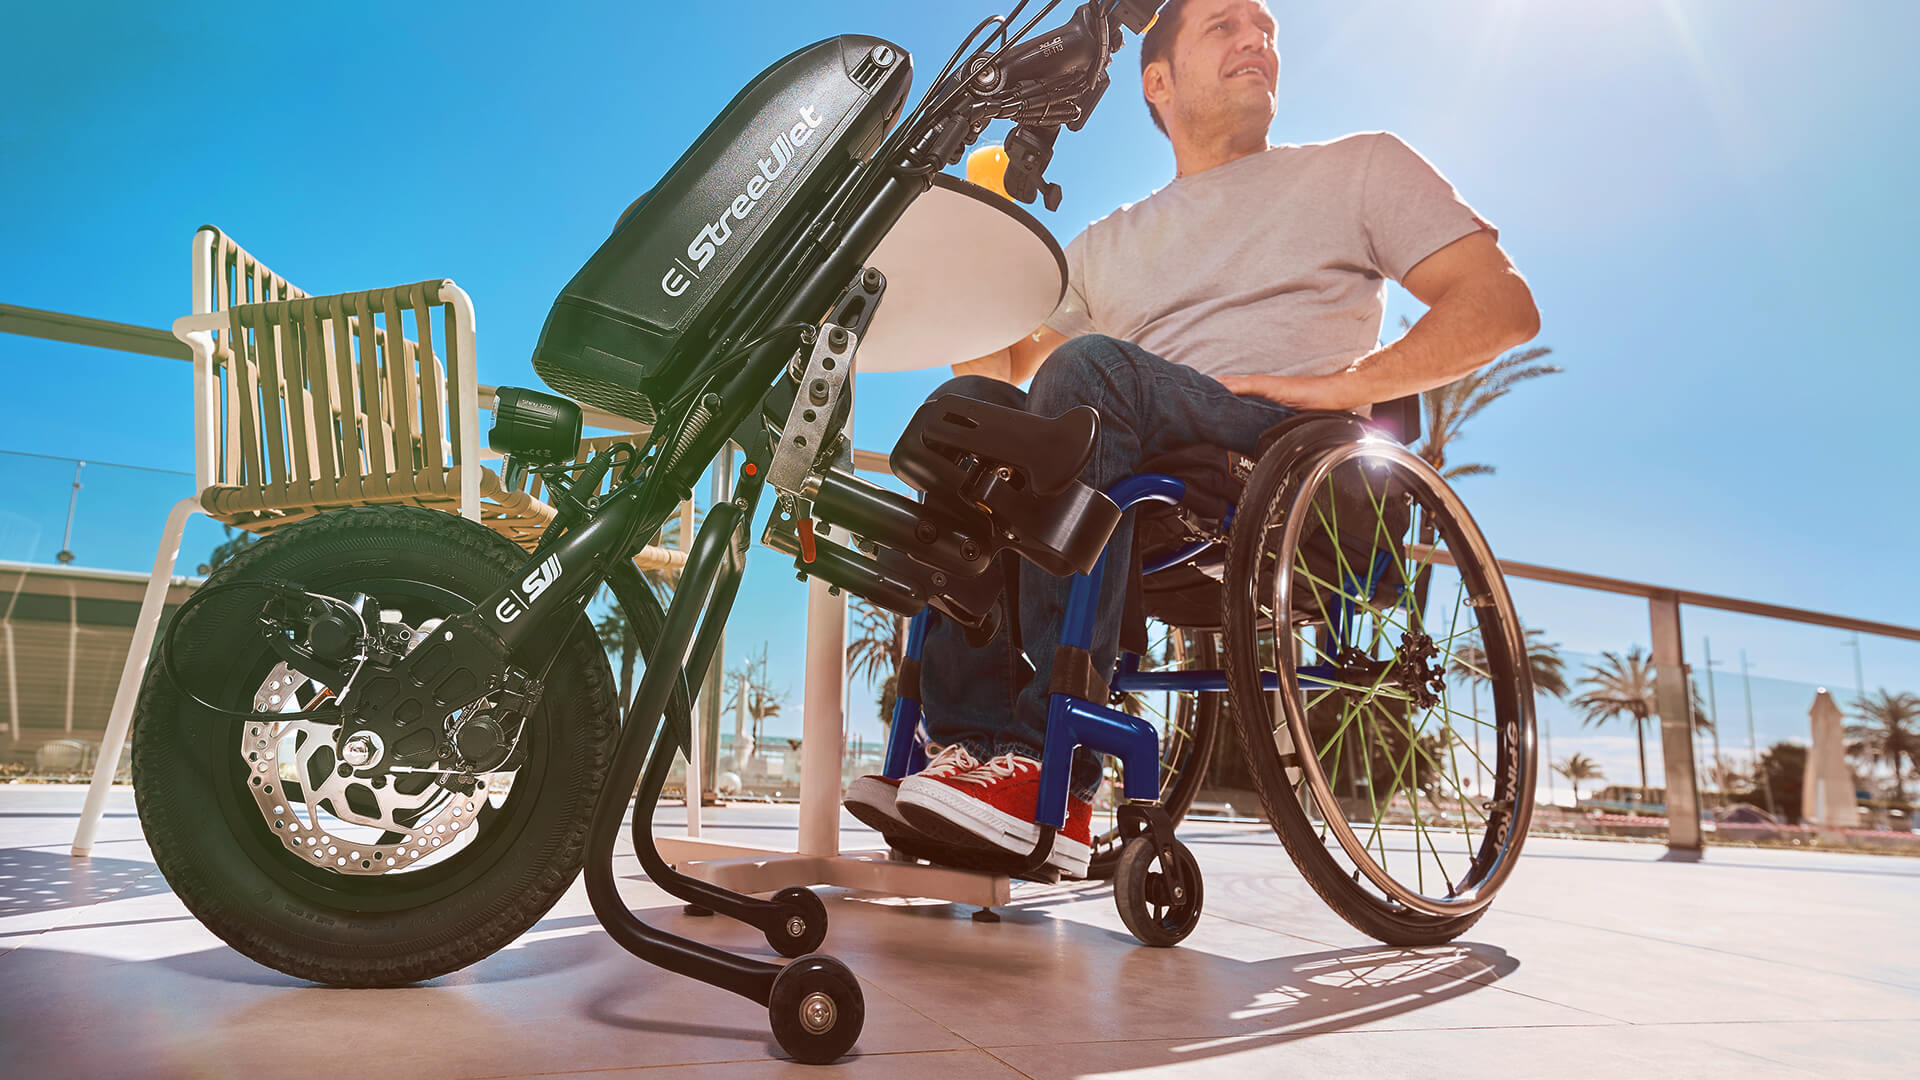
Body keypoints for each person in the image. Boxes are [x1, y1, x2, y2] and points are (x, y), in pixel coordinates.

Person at [844, 0, 1539, 878]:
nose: (1258, 38)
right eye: (1225, 24)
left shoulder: (1358, 167)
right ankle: (971, 753)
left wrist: (1341, 388)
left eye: (1266, 27)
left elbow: (1501, 304)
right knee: (978, 402)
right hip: (1132, 449)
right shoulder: (1103, 244)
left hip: (1278, 446)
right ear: (1157, 80)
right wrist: (982, 231)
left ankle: (1051, 771)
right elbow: (1001, 365)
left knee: (1089, 370)